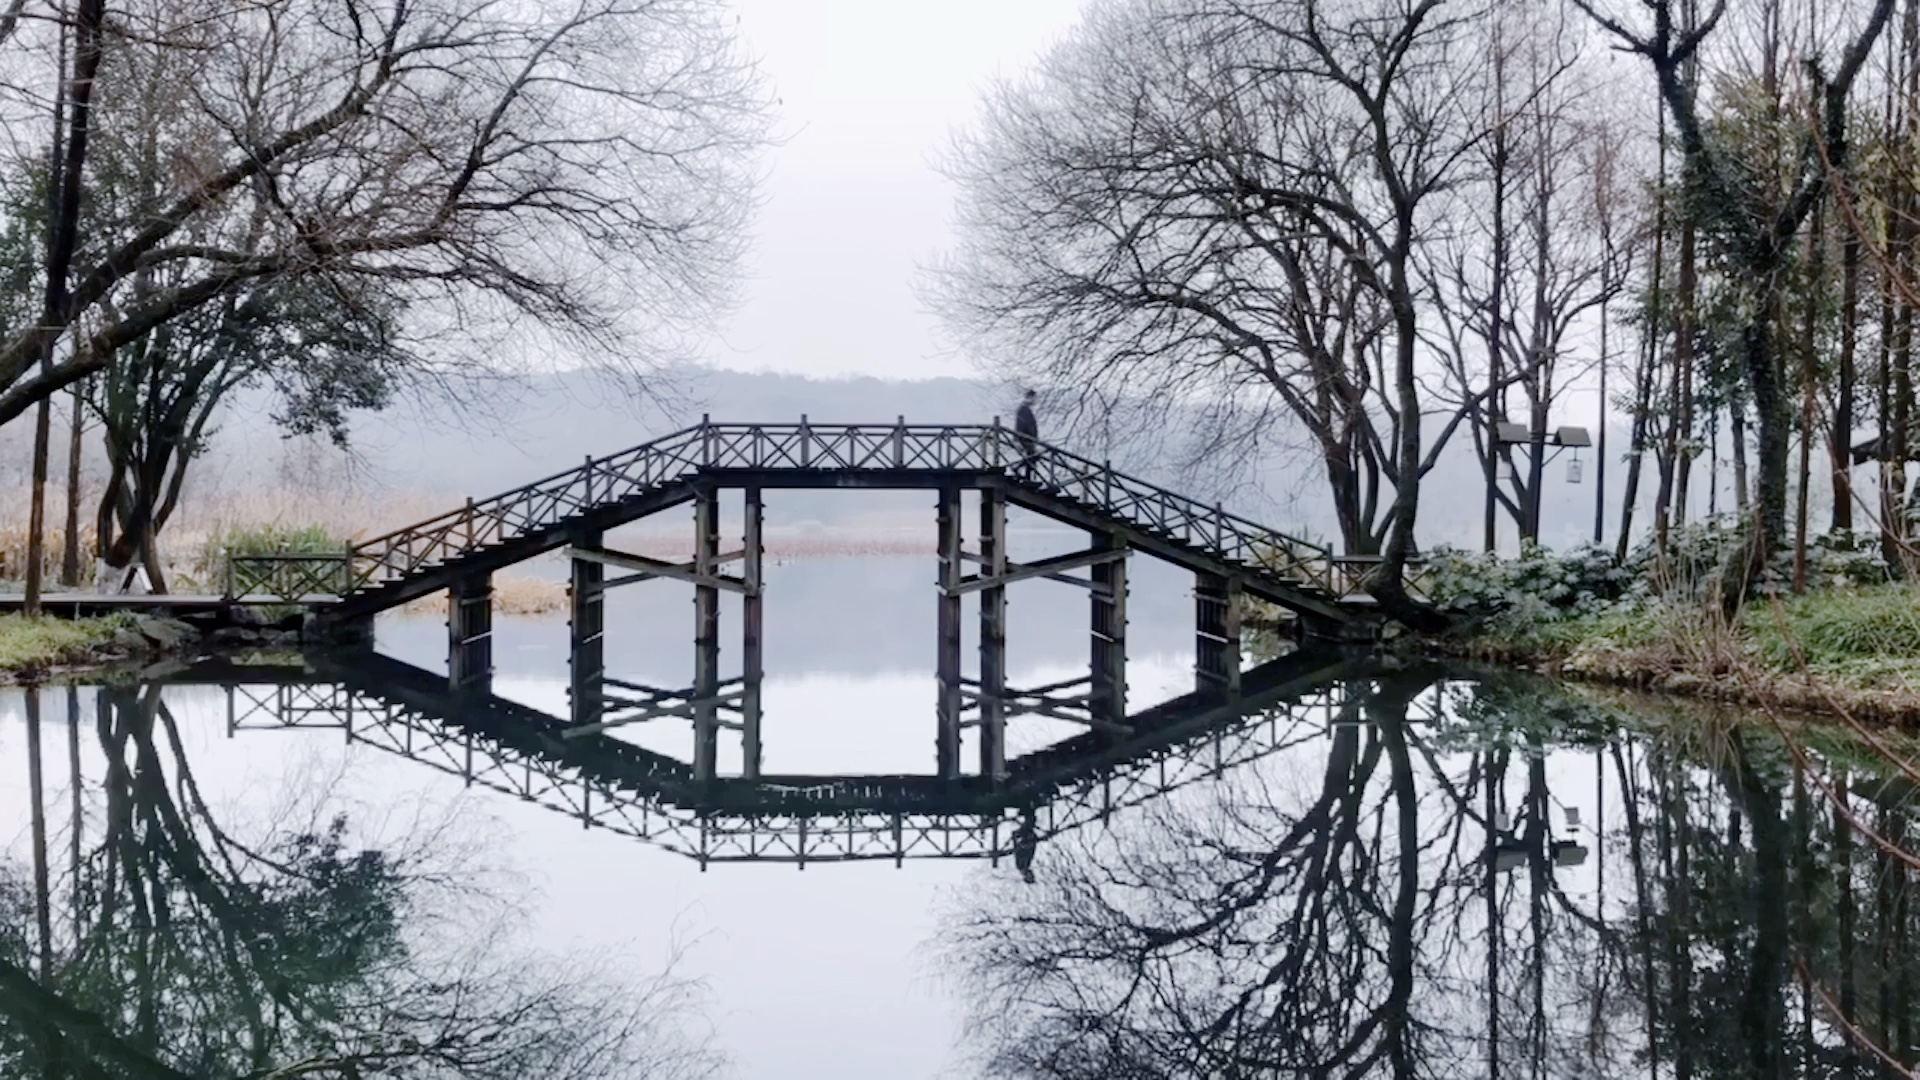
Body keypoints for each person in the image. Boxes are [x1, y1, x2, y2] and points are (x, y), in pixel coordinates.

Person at [1014, 389, 1038, 469]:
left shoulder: (1025, 409)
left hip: (1026, 438)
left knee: (1032, 457)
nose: (1035, 400)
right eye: (1034, 398)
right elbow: (1023, 425)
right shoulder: (1024, 410)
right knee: (1032, 457)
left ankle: (1020, 470)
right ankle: (1017, 469)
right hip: (1026, 438)